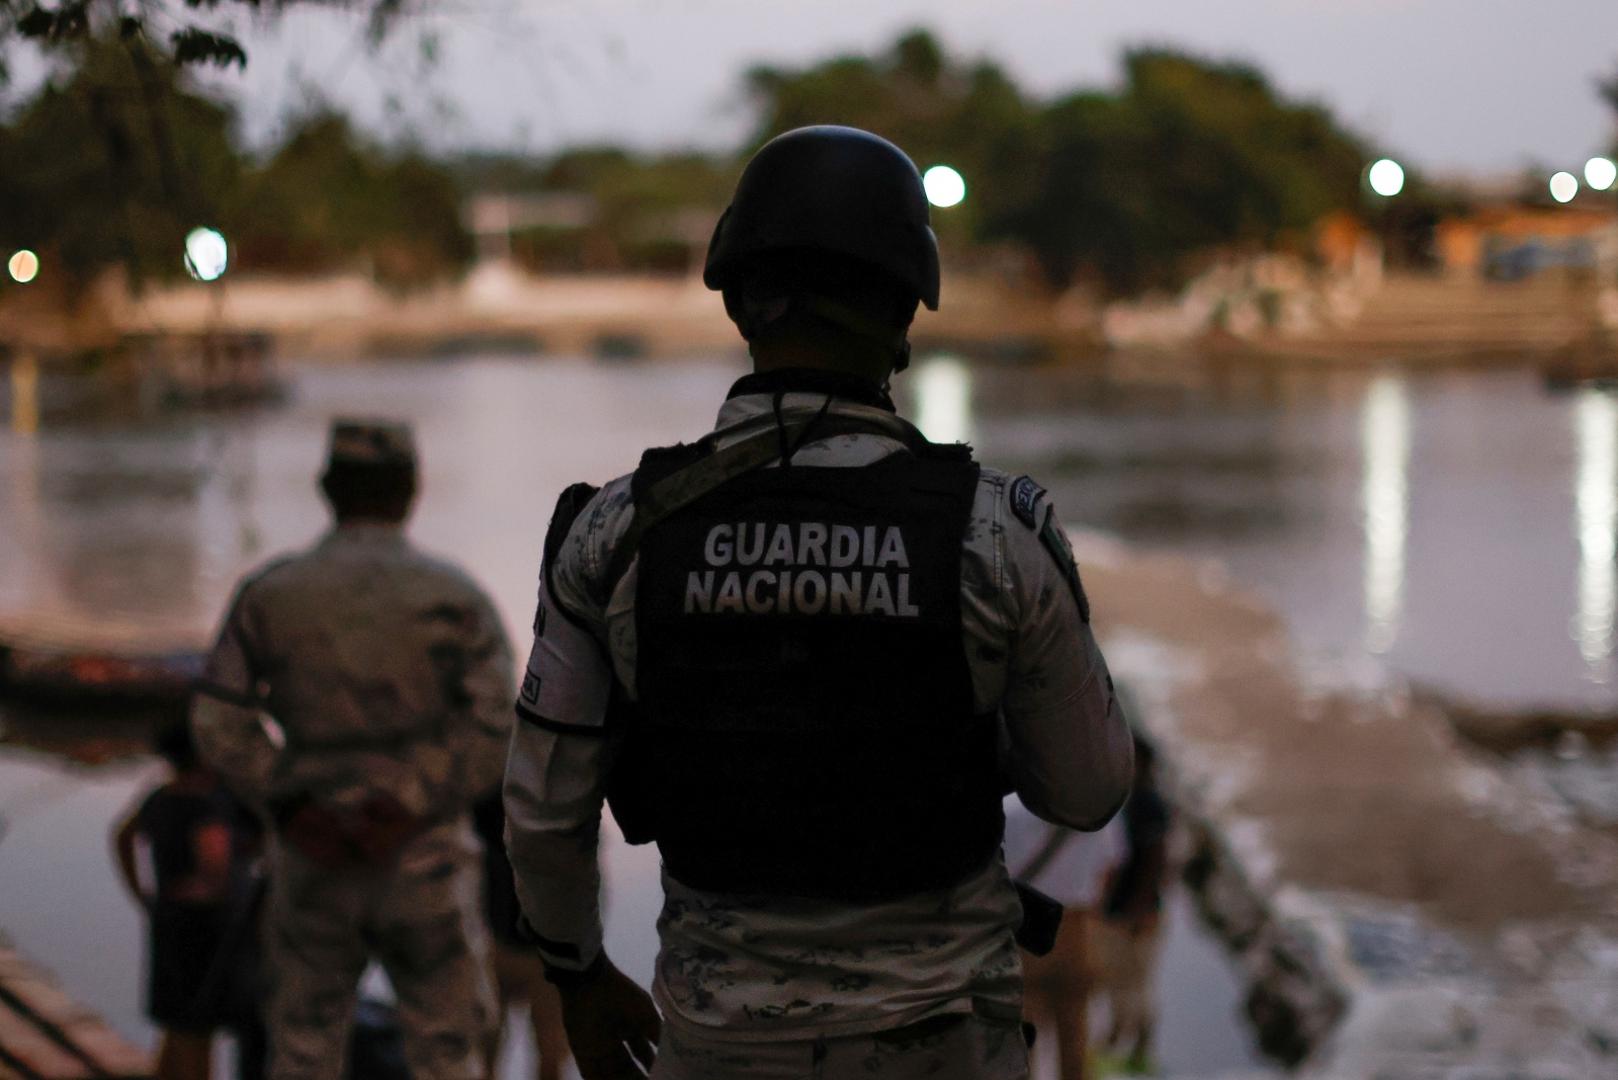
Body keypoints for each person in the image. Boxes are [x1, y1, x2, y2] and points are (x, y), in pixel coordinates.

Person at [503, 125, 1135, 1080]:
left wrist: (578, 976)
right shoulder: (995, 533)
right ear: (902, 308)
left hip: (717, 1048)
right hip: (947, 1047)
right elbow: (1086, 791)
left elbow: (545, 816)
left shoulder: (614, 534)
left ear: (738, 297)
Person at [190, 419, 514, 1080]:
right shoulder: (451, 595)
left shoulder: (273, 592)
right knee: (449, 1049)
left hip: (311, 860)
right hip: (423, 859)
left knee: (304, 1047)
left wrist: (290, 804)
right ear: (411, 489)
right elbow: (498, 722)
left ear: (327, 489)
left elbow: (218, 716)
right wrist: (412, 805)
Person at [113, 721, 265, 1080]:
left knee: (176, 1023)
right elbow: (214, 865)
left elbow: (122, 837)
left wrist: (142, 893)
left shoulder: (161, 798)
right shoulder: (208, 805)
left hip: (168, 920)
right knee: (198, 1028)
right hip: (208, 931)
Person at [1002, 801, 1126, 1080]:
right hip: (1076, 930)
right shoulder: (1097, 811)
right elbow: (1111, 869)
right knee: (1075, 1034)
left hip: (1025, 932)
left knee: (1023, 1033)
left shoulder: (1009, 811)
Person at [472, 793, 572, 1080]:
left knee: (548, 1054)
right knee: (489, 1055)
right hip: (517, 944)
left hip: (535, 947)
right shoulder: (555, 797)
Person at [1096, 734, 1173, 1074]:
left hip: (1132, 914)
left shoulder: (1146, 805)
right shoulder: (1132, 802)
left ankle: (1121, 1049)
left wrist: (1140, 911)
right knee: (1131, 985)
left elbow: (1157, 861)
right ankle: (1132, 1052)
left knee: (1128, 985)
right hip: (1128, 912)